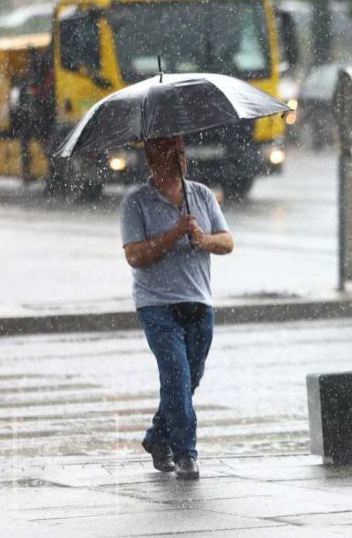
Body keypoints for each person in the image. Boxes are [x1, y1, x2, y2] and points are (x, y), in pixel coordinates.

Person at [120, 135, 234, 480]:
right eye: (174, 153)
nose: (183, 159)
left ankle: (157, 436)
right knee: (176, 375)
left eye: (183, 152)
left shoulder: (201, 195)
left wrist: (203, 239)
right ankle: (185, 452)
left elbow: (227, 242)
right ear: (154, 159)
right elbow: (135, 256)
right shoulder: (135, 202)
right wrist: (173, 235)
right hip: (156, 304)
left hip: (198, 299)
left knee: (189, 378)